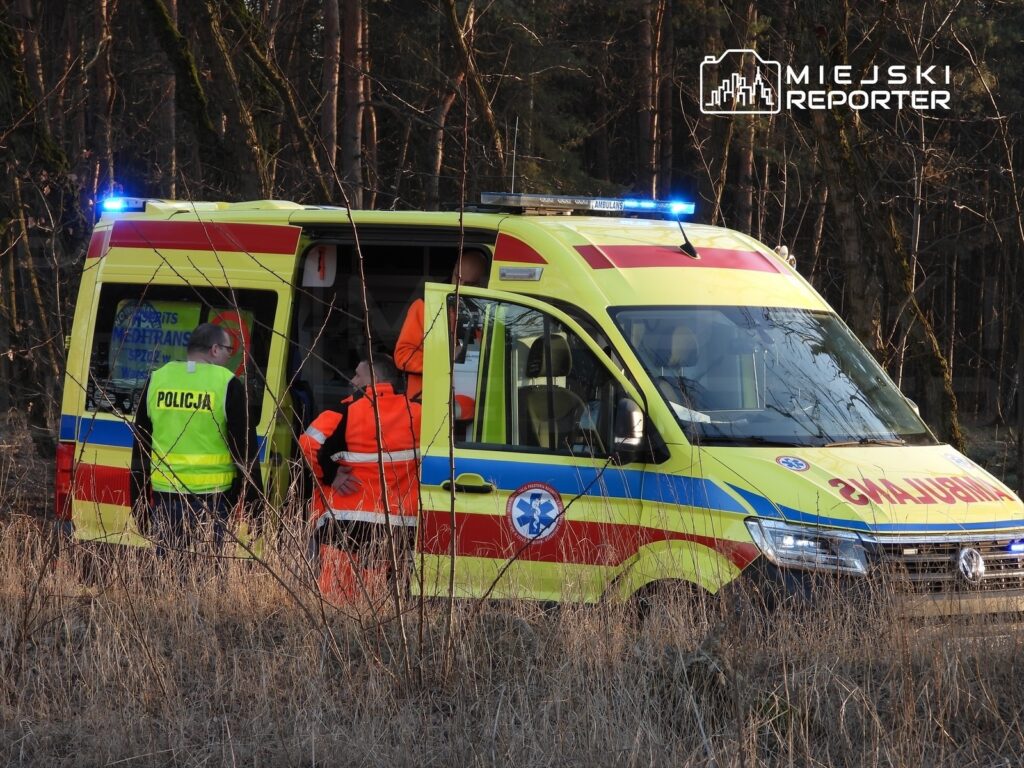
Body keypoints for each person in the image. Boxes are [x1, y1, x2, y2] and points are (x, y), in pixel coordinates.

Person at [130, 322, 263, 558]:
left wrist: (139, 506)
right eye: (228, 350)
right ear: (214, 349)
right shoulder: (227, 384)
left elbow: (140, 448)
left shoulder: (157, 380)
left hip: (165, 499)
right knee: (205, 576)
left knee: (169, 574)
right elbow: (245, 451)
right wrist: (256, 511)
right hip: (212, 501)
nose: (229, 357)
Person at [298, 354, 422, 601]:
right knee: (387, 598)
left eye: (357, 374)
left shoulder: (345, 409)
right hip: (400, 523)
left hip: (347, 520)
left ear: (374, 379)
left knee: (339, 594)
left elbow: (308, 442)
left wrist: (330, 476)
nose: (352, 379)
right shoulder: (417, 414)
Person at [394, 250, 488, 400]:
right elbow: (403, 356)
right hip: (427, 405)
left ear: (482, 284)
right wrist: (446, 361)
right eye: (458, 278)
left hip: (470, 407)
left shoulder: (488, 311)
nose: (460, 287)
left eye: (469, 283)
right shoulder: (425, 305)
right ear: (454, 269)